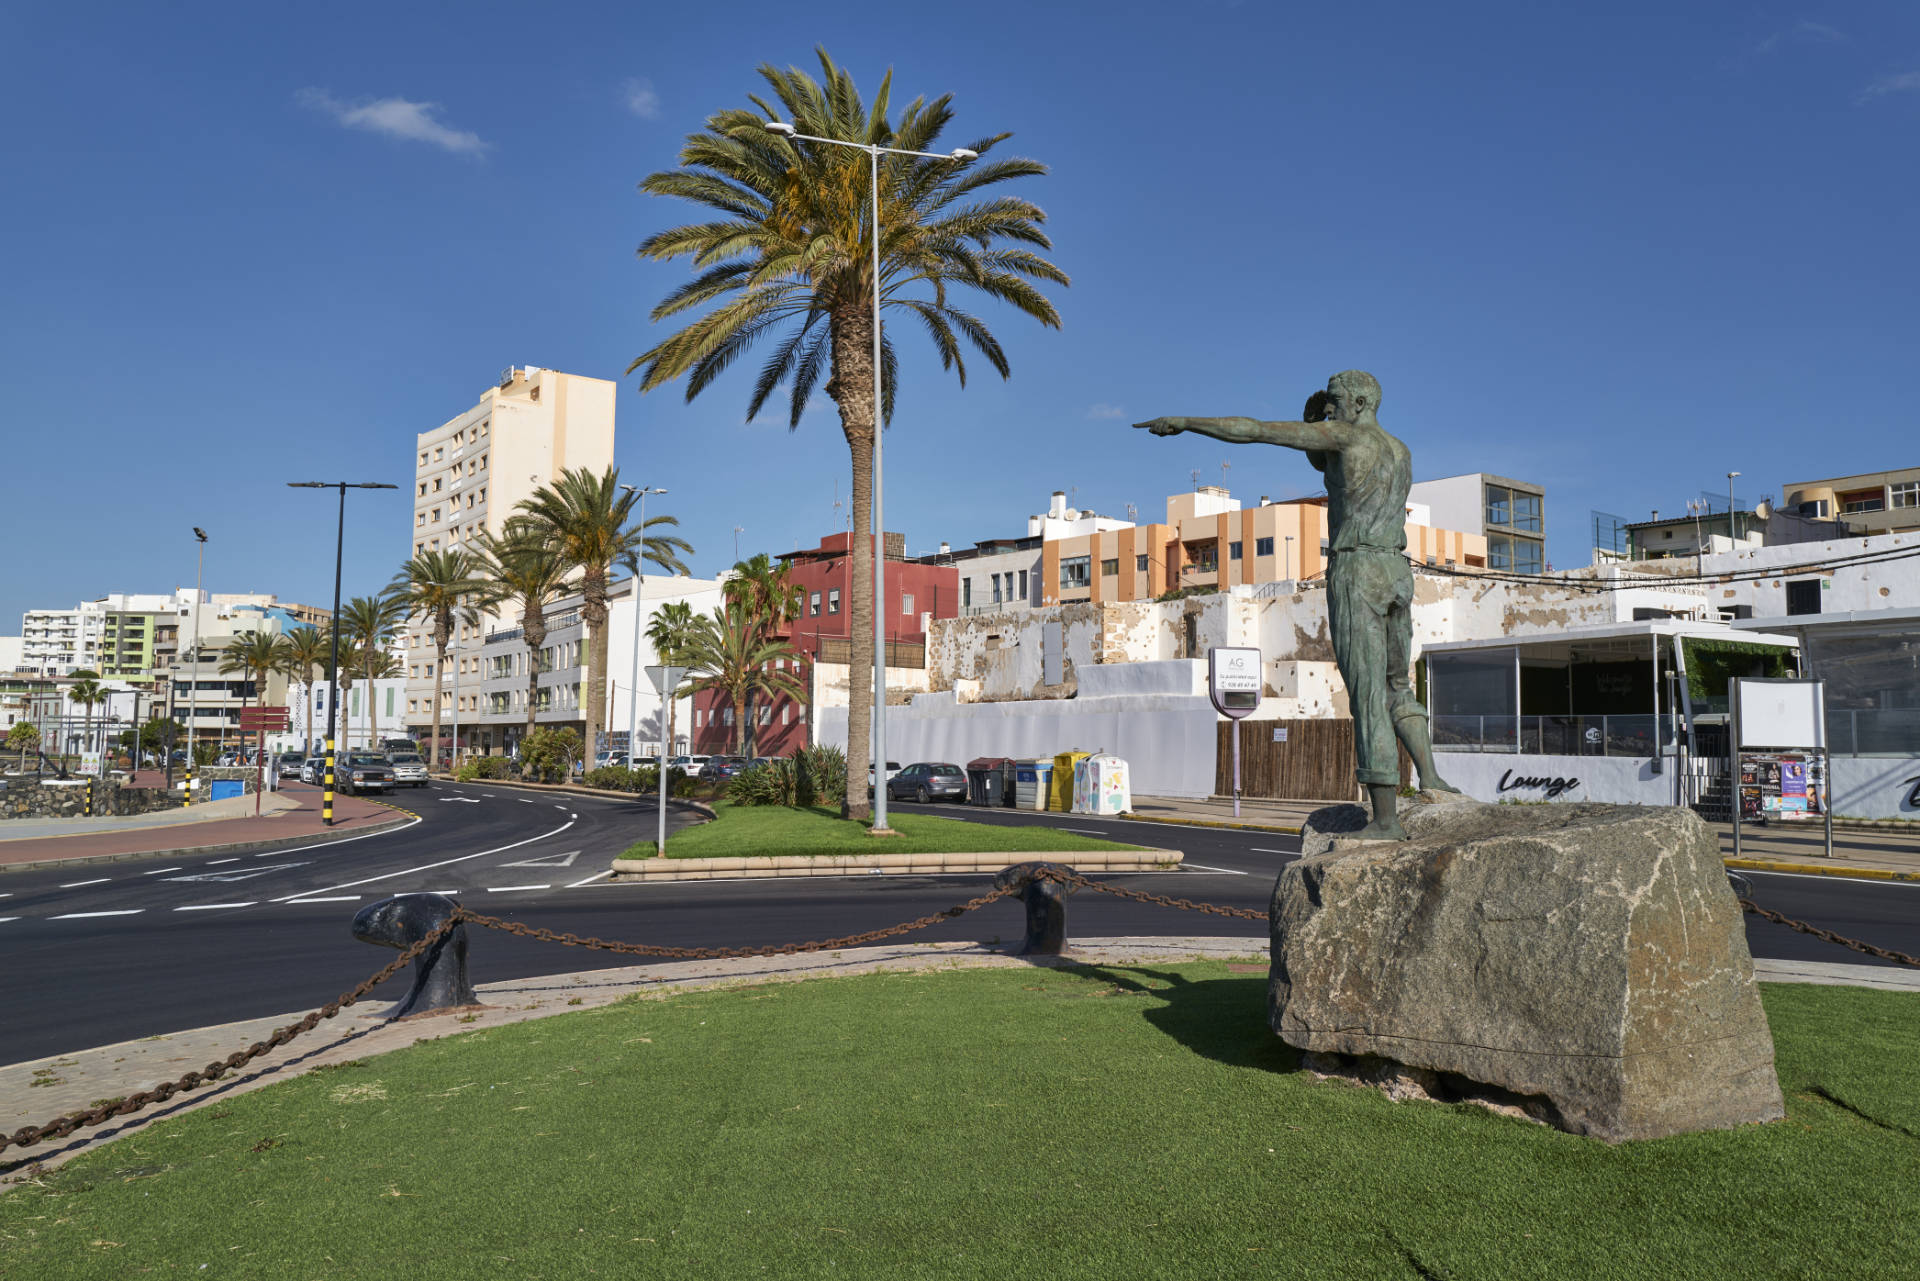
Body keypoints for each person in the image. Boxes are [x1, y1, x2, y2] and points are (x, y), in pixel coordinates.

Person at [1136, 369, 1456, 840]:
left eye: (1336, 401)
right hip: (1396, 571)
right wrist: (1316, 426)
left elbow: (1256, 431)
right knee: (1397, 686)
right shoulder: (1400, 451)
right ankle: (1431, 778)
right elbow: (1335, 472)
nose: (1331, 410)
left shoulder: (1346, 438)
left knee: (1367, 693)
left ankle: (1386, 820)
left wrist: (1186, 420)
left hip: (1358, 569)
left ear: (1361, 403)